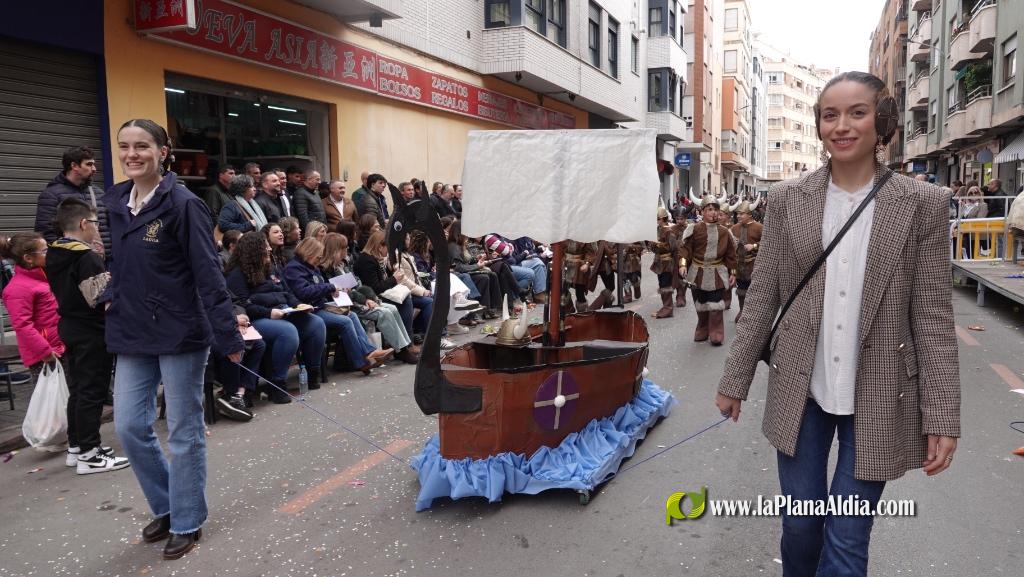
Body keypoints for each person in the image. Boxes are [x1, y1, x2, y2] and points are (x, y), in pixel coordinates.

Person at [716, 72, 960, 577]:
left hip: (880, 393)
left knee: (848, 538)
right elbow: (763, 294)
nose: (842, 126)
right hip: (801, 391)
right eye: (830, 115)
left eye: (857, 112)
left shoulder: (923, 205)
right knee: (801, 526)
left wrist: (942, 417)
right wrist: (734, 380)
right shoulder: (787, 200)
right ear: (819, 125)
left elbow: (933, 317)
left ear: (883, 121)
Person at [104, 119, 244, 560]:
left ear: (164, 151)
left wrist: (227, 332)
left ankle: (186, 520)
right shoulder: (114, 200)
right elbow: (117, 261)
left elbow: (208, 273)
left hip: (181, 332)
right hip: (132, 331)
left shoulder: (183, 204)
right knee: (129, 425)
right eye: (125, 146)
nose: (132, 154)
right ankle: (167, 505)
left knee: (184, 431)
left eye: (142, 146)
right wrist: (109, 295)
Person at [47, 199, 129, 473]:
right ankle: (90, 454)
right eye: (95, 223)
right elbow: (100, 299)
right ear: (84, 224)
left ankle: (77, 446)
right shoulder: (85, 257)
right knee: (92, 390)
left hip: (69, 326)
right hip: (91, 330)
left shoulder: (55, 252)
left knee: (79, 390)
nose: (97, 228)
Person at [225, 232, 326, 401]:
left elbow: (287, 292)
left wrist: (298, 306)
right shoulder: (237, 275)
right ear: (255, 250)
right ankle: (277, 384)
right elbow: (242, 305)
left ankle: (312, 372)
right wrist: (268, 313)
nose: (270, 249)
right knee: (287, 332)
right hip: (258, 318)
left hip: (284, 310)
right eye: (266, 246)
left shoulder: (272, 268)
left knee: (316, 324)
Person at [284, 238, 394, 374]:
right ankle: (360, 362)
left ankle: (369, 352)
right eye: (318, 256)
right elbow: (304, 292)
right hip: (308, 310)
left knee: (352, 315)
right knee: (345, 321)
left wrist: (334, 293)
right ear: (309, 253)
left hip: (320, 306)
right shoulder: (294, 269)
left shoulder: (312, 267)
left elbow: (321, 288)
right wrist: (330, 287)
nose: (319, 259)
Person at [320, 232, 419, 363]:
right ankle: (401, 350)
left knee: (392, 309)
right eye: (344, 248)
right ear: (336, 250)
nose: (347, 250)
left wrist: (370, 298)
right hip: (345, 306)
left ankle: (404, 346)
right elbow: (338, 294)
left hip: (357, 300)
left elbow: (359, 286)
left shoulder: (343, 265)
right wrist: (365, 299)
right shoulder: (326, 270)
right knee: (384, 312)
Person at [1, 232, 66, 394]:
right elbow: (22, 325)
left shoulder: (42, 278)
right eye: (44, 251)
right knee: (48, 402)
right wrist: (45, 351)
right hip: (45, 354)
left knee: (64, 397)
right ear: (28, 258)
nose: (49, 253)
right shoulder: (18, 288)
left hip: (58, 348)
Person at [357, 230, 437, 342]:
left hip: (385, 293)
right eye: (388, 247)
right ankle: (409, 341)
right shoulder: (367, 261)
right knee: (408, 300)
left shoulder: (378, 259)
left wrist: (393, 277)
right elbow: (375, 287)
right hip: (374, 297)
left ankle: (428, 336)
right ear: (380, 247)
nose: (389, 250)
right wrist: (394, 278)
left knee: (427, 301)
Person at [678, 193, 737, 345]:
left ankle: (716, 330)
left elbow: (731, 254)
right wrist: (683, 264)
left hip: (717, 272)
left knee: (716, 303)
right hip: (697, 272)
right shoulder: (694, 229)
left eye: (716, 209)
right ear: (702, 211)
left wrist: (733, 272)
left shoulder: (725, 232)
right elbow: (685, 249)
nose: (713, 213)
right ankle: (703, 327)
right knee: (701, 301)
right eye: (709, 209)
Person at [35, 146, 111, 257]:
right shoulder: (51, 194)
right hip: (75, 262)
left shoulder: (98, 193)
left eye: (93, 164)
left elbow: (109, 226)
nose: (94, 169)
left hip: (105, 260)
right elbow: (46, 232)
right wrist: (66, 258)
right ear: (74, 166)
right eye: (89, 164)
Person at [729, 197, 763, 322]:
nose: (738, 216)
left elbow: (768, 243)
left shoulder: (759, 227)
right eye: (738, 213)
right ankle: (742, 310)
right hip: (740, 265)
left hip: (754, 264)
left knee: (753, 291)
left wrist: (754, 246)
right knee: (741, 290)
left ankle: (753, 314)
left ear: (749, 215)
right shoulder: (734, 228)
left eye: (741, 214)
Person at [649, 208, 682, 318]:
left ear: (663, 218)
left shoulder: (669, 231)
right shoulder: (657, 229)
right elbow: (652, 247)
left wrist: (660, 245)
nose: (657, 220)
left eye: (658, 218)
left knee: (666, 284)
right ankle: (665, 307)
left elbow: (673, 247)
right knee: (662, 284)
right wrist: (653, 245)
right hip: (659, 261)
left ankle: (668, 308)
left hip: (667, 263)